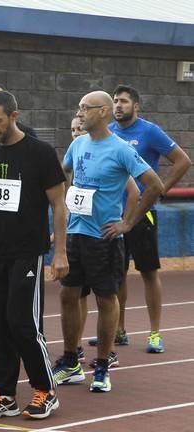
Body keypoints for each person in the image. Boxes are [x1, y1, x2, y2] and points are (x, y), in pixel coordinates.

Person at [53, 91, 163, 394]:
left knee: (105, 299)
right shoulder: (77, 145)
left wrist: (128, 222)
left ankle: (102, 365)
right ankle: (72, 361)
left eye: (85, 109)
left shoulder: (120, 149)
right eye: (79, 109)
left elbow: (153, 185)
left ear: (102, 112)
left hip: (104, 238)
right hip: (76, 234)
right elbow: (63, 179)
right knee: (67, 295)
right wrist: (61, 216)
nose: (80, 114)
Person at [0, 90, 68, 420]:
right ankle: (3, 393)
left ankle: (45, 390)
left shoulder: (40, 153)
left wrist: (61, 253)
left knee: (23, 322)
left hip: (27, 252)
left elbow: (58, 205)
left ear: (13, 115)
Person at [88, 85, 191, 353]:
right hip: (112, 216)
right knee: (116, 276)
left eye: (124, 101)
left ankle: (155, 333)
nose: (119, 105)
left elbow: (182, 161)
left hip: (142, 214)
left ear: (136, 106)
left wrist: (161, 189)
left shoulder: (149, 131)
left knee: (148, 272)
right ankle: (118, 330)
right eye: (115, 101)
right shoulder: (108, 133)